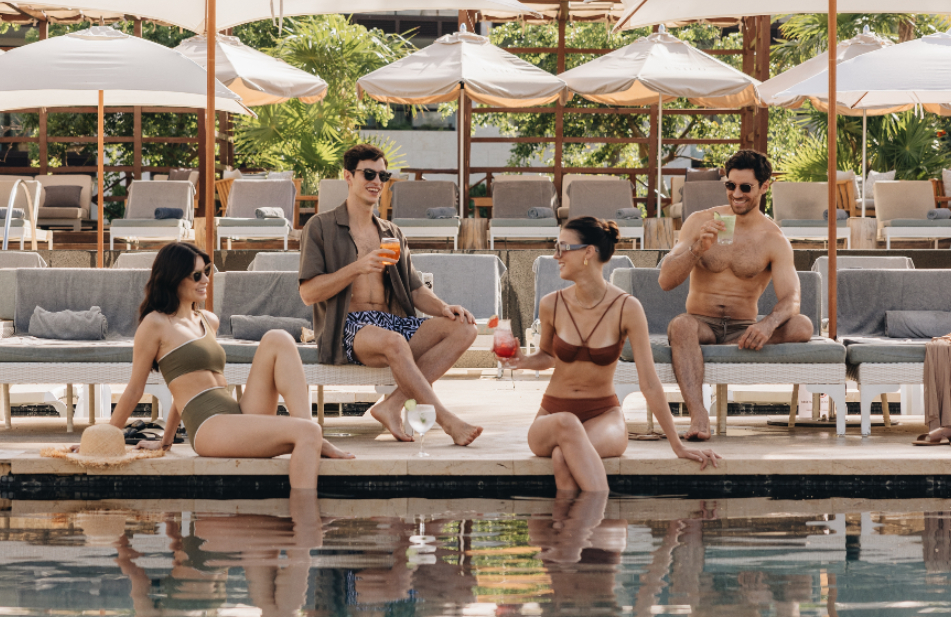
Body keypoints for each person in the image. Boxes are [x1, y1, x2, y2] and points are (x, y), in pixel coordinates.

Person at [106, 241, 352, 491]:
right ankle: (306, 518)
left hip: (236, 414)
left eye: (207, 271)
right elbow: (136, 390)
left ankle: (311, 433)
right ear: (173, 278)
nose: (205, 280)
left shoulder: (207, 320)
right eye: (196, 275)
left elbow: (186, 385)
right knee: (307, 433)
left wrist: (165, 441)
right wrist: (105, 440)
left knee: (277, 338)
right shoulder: (155, 323)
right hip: (209, 428)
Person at [501, 217, 719, 492]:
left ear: (588, 252)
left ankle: (571, 530)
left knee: (562, 457)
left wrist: (676, 444)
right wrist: (522, 361)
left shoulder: (627, 308)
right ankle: (601, 517)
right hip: (553, 416)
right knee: (567, 424)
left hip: (604, 415)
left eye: (563, 247)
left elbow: (649, 382)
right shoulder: (551, 305)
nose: (555, 255)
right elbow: (548, 356)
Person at [299, 143, 482, 446]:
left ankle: (391, 405)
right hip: (348, 326)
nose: (376, 182)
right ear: (348, 176)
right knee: (394, 342)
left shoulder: (391, 233)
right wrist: (356, 268)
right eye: (368, 173)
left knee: (465, 328)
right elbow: (308, 293)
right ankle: (446, 420)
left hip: (390, 323)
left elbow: (414, 289)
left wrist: (445, 308)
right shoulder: (321, 226)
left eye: (383, 176)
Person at [659, 150, 814, 441]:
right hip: (700, 325)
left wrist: (767, 325)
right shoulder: (699, 221)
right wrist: (697, 249)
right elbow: (665, 281)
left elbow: (792, 298)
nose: (737, 194)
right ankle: (699, 416)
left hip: (742, 329)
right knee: (680, 325)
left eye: (746, 187)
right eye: (731, 186)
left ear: (764, 187)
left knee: (802, 325)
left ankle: (732, 349)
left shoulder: (773, 239)